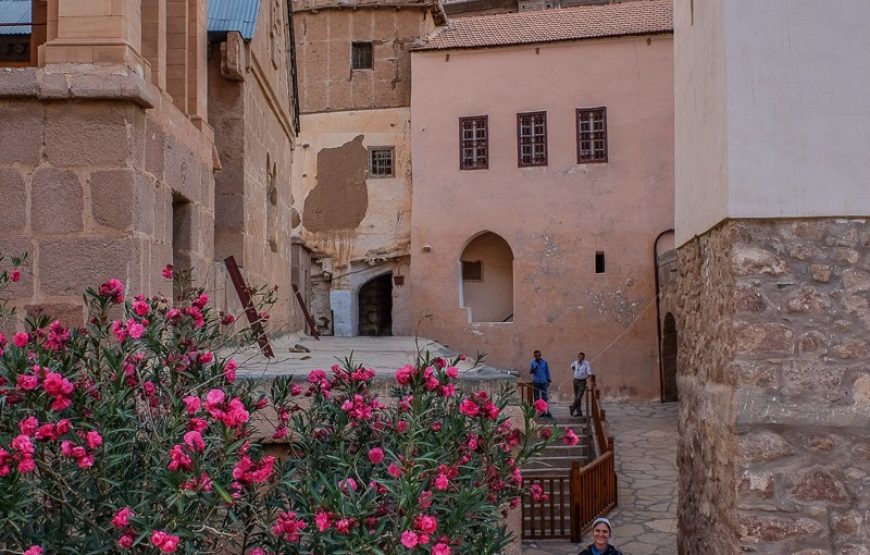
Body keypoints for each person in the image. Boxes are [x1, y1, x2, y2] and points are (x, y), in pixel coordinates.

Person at [529, 350, 552, 418]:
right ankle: (538, 412)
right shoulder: (532, 362)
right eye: (535, 356)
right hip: (536, 382)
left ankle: (546, 411)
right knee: (536, 398)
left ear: (540, 355)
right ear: (534, 356)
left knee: (545, 397)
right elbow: (530, 372)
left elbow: (547, 371)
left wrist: (548, 380)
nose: (537, 357)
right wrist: (533, 369)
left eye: (538, 356)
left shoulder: (545, 362)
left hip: (544, 381)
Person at [569, 352, 592, 417]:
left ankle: (572, 407)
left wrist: (585, 377)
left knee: (578, 397)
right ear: (578, 357)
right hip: (575, 381)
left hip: (582, 382)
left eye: (581, 357)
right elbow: (572, 366)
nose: (580, 358)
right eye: (579, 357)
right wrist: (573, 368)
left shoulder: (586, 363)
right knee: (577, 397)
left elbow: (589, 372)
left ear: (584, 357)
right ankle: (579, 412)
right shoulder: (575, 362)